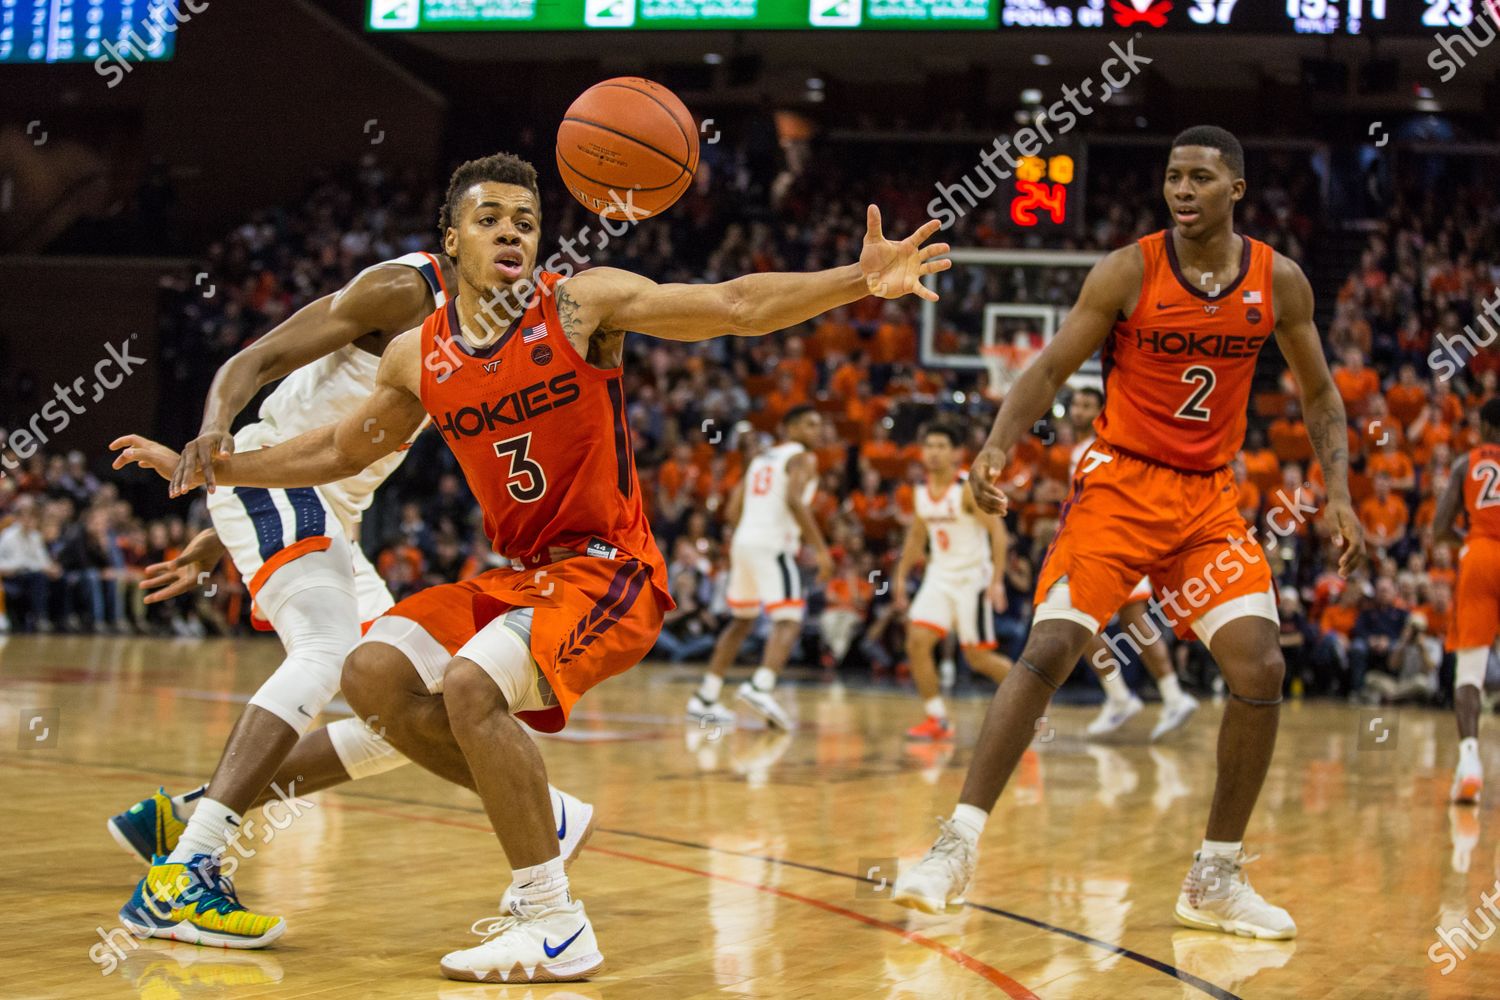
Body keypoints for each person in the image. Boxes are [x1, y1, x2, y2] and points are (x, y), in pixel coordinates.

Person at [116, 151, 948, 981]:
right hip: (519, 574)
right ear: (452, 241)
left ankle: (551, 918)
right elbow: (337, 446)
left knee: (470, 687)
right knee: (372, 673)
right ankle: (520, 813)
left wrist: (856, 281)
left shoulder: (582, 306)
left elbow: (733, 305)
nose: (510, 232)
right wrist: (211, 468)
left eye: (525, 220)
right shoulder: (417, 353)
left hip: (608, 569)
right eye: (489, 219)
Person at [891, 127, 1365, 941]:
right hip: (1118, 482)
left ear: (1236, 190)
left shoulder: (1277, 281)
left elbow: (1321, 396)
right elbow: (1046, 370)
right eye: (1174, 177)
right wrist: (998, 447)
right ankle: (953, 848)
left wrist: (1341, 495)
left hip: (1209, 500)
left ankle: (1215, 876)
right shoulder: (1127, 268)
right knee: (1048, 651)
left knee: (1261, 664)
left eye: (1202, 178)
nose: (1183, 190)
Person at [1064, 386, 1201, 740]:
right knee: (1133, 623)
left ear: (1101, 413)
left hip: (1107, 547)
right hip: (1118, 544)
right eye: (1076, 404)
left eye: (1087, 405)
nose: (1079, 410)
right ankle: (1170, 696)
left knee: (1081, 624)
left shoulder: (1100, 449)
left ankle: (1124, 696)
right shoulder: (1091, 449)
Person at [686, 405, 834, 730]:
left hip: (744, 542)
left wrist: (747, 534)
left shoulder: (760, 459)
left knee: (742, 620)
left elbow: (731, 510)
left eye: (819, 424)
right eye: (809, 423)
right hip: (772, 544)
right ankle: (761, 686)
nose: (816, 430)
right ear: (790, 428)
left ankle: (705, 696)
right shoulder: (803, 458)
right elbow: (795, 501)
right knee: (789, 619)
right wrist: (821, 550)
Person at [892, 422, 1012, 740]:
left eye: (941, 446)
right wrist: (900, 577)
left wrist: (997, 580)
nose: (933, 452)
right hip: (938, 577)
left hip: (972, 579)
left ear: (957, 453)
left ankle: (1032, 704)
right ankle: (937, 719)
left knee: (978, 658)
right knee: (917, 642)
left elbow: (999, 535)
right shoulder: (919, 492)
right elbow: (916, 539)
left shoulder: (967, 489)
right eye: (929, 445)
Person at [1432, 397, 1500, 804]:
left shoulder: (1465, 463)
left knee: (1469, 673)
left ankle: (1470, 762)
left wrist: (1469, 543)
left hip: (1478, 559)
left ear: (1486, 429)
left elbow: (1440, 528)